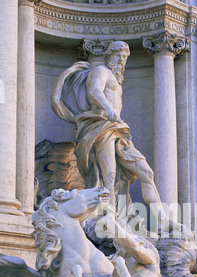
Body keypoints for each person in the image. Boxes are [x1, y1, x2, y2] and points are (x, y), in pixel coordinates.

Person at [51, 40, 172, 232]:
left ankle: (162, 220)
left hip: (117, 129)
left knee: (146, 171)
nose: (122, 60)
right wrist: (107, 108)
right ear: (109, 56)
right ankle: (111, 218)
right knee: (109, 174)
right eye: (119, 56)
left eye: (125, 57)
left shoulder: (117, 79)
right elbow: (94, 91)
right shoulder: (101, 71)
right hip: (100, 126)